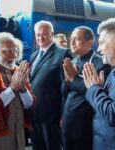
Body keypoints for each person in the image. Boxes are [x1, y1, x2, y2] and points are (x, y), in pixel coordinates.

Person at [61, 26, 111, 150]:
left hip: (85, 124)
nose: (71, 42)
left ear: (90, 42)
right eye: (71, 38)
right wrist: (67, 82)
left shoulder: (101, 63)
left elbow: (97, 93)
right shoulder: (73, 62)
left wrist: (73, 79)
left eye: (76, 39)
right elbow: (65, 93)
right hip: (68, 120)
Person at [29, 20, 72, 150]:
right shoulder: (34, 55)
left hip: (51, 116)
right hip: (34, 114)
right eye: (37, 34)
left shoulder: (63, 53)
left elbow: (67, 87)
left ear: (52, 34)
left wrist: (63, 114)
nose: (40, 38)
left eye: (44, 34)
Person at [82, 17, 115, 150]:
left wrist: (94, 88)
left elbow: (114, 114)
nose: (99, 49)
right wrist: (99, 89)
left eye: (102, 43)